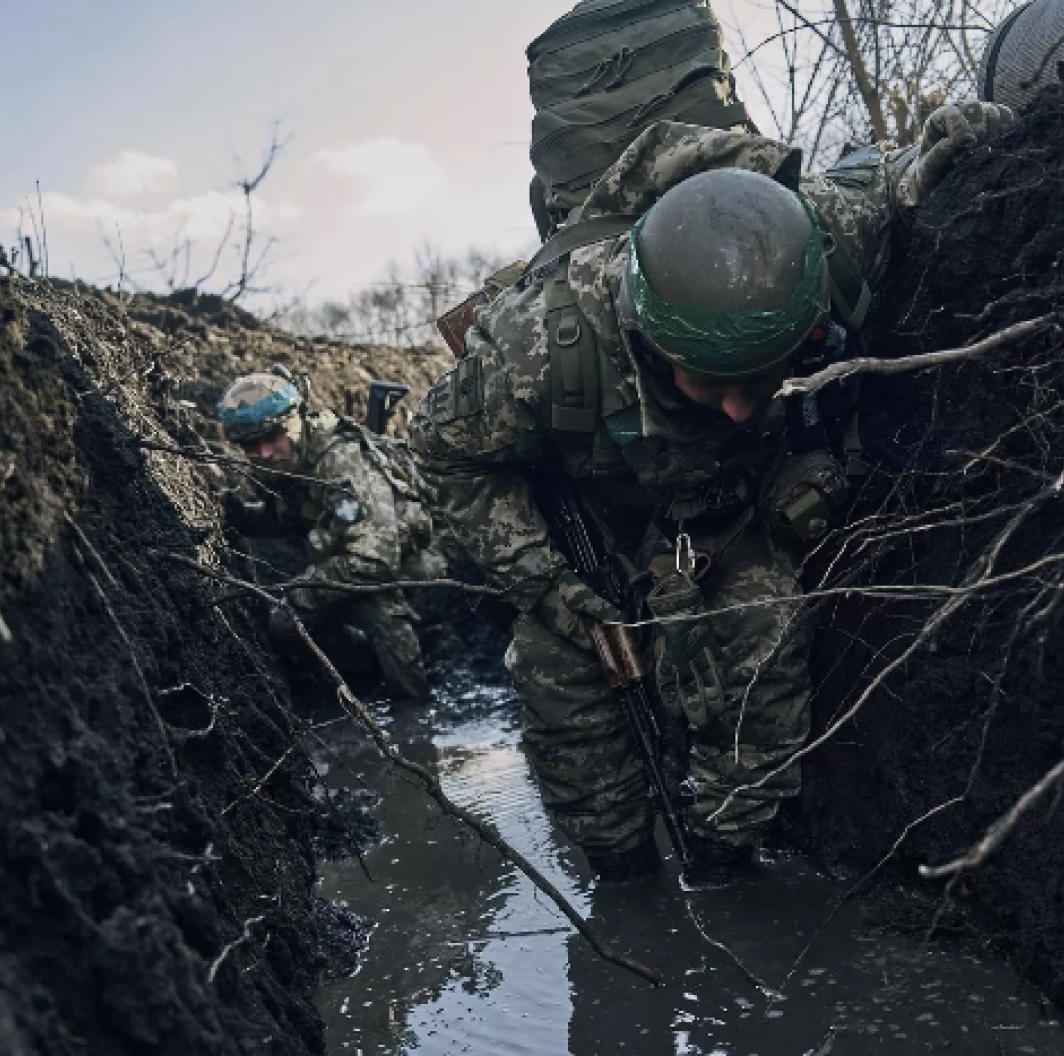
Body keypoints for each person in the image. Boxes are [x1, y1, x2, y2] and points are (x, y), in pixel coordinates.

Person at [411, 106, 1012, 886]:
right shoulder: (542, 347)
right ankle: (622, 877)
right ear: (647, 335)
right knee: (558, 680)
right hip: (602, 526)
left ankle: (725, 863)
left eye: (759, 379)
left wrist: (949, 144)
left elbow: (895, 175)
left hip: (736, 510)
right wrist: (556, 588)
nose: (737, 407)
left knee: (764, 639)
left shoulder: (824, 240)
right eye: (710, 381)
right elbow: (441, 452)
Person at [217, 368, 444, 699]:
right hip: (351, 559)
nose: (264, 453)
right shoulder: (290, 460)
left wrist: (303, 592)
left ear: (296, 420)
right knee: (287, 624)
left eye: (273, 437)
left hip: (414, 565)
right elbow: (293, 516)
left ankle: (414, 704)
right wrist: (243, 517)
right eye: (251, 444)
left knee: (374, 603)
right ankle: (366, 670)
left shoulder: (340, 461)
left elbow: (376, 561)